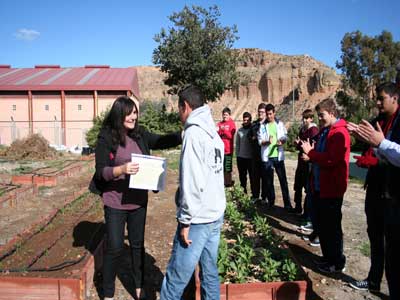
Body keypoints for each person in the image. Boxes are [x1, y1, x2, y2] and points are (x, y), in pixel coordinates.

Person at [89, 96, 182, 300]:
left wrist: (181, 134)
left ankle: (138, 286)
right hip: (115, 200)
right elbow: (100, 172)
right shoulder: (107, 137)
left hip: (138, 201)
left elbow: (160, 140)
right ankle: (108, 292)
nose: (134, 117)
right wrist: (121, 169)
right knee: (114, 247)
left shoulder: (140, 134)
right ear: (119, 113)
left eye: (135, 113)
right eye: (129, 113)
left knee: (137, 244)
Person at [160, 85, 226, 300]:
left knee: (176, 277)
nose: (179, 114)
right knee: (210, 274)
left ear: (185, 106)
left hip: (197, 219)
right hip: (215, 214)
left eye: (179, 109)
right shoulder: (213, 133)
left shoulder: (194, 133)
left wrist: (186, 221)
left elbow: (192, 182)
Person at [347, 82, 400, 299]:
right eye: (376, 99)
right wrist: (365, 144)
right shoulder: (378, 121)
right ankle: (373, 280)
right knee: (375, 236)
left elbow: (388, 150)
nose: (377, 103)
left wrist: (381, 145)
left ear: (395, 98)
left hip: (395, 195)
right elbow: (372, 145)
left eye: (382, 99)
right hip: (376, 189)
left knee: (395, 248)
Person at [301, 98, 350, 274]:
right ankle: (328, 257)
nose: (319, 119)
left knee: (332, 228)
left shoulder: (340, 133)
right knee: (324, 226)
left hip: (332, 188)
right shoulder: (326, 131)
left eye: (322, 116)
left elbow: (331, 159)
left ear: (332, 113)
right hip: (321, 187)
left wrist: (312, 154)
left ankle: (336, 262)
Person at [257, 103, 292, 210]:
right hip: (268, 158)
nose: (269, 116)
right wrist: (267, 141)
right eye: (267, 114)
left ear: (274, 113)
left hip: (278, 156)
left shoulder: (280, 124)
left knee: (283, 180)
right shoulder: (262, 126)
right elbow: (260, 141)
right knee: (269, 181)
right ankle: (271, 203)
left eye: (271, 114)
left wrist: (282, 141)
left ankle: (287, 204)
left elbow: (285, 136)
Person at [293, 109, 319, 215]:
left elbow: (312, 147)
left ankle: (307, 213)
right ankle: (297, 208)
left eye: (306, 118)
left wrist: (299, 145)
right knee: (297, 185)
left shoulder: (314, 130)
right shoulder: (303, 129)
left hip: (308, 163)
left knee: (308, 188)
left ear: (311, 118)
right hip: (301, 162)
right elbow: (300, 143)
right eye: (303, 118)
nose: (304, 120)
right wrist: (297, 143)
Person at [248, 103, 267, 201]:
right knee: (255, 176)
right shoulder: (254, 124)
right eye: (259, 112)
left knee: (265, 176)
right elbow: (249, 137)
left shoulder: (268, 124)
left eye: (262, 112)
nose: (260, 113)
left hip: (265, 155)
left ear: (265, 113)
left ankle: (264, 197)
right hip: (255, 154)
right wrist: (253, 138)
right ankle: (255, 196)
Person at [217, 107, 236, 187]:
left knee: (227, 168)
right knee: (221, 167)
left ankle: (228, 183)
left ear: (229, 115)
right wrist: (219, 130)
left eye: (226, 115)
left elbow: (230, 136)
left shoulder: (231, 123)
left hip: (228, 150)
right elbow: (216, 133)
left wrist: (224, 130)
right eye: (223, 115)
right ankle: (224, 182)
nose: (224, 116)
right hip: (220, 150)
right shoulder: (220, 124)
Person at [235, 112, 253, 194]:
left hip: (250, 158)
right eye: (244, 120)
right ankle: (243, 192)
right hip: (241, 157)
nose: (245, 122)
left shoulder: (253, 130)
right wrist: (237, 155)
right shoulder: (240, 131)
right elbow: (237, 144)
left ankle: (254, 194)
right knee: (242, 177)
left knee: (252, 177)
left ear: (250, 121)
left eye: (247, 120)